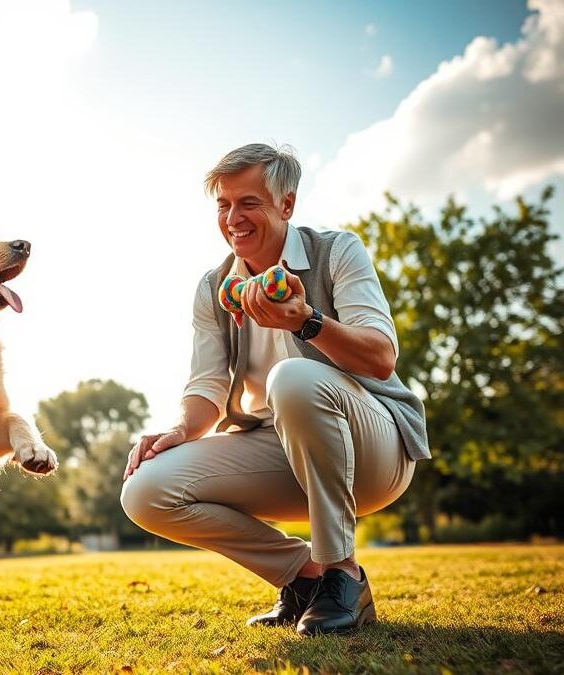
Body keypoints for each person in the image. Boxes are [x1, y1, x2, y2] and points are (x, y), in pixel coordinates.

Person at [119, 143, 429, 636]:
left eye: (249, 203)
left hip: (374, 450)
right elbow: (207, 385)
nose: (233, 218)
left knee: (293, 377)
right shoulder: (214, 286)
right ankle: (305, 577)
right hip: (282, 451)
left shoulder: (337, 250)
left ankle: (341, 571)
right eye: (223, 204)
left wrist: (308, 322)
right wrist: (180, 429)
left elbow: (380, 357)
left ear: (286, 205)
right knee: (145, 490)